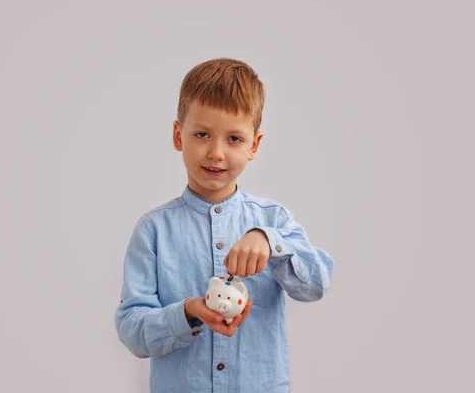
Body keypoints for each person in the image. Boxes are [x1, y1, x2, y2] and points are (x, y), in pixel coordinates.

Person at [114, 58, 335, 392]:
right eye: (202, 134)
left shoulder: (273, 220)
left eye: (233, 139)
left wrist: (270, 241)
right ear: (178, 136)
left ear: (254, 146)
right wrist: (188, 312)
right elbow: (132, 330)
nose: (216, 152)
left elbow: (316, 284)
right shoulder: (153, 230)